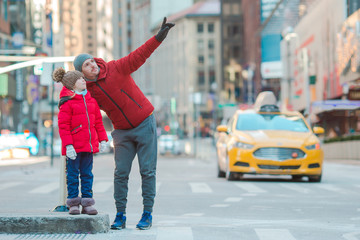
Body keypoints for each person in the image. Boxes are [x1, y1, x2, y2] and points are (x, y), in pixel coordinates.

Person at [73, 17, 175, 230]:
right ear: (82, 73)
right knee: (120, 173)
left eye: (92, 61)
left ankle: (147, 214)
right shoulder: (89, 91)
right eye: (86, 65)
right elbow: (75, 101)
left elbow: (139, 55)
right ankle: (121, 215)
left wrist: (158, 38)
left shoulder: (116, 68)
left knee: (147, 171)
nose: (92, 65)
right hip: (121, 132)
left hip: (145, 123)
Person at [53, 67, 108, 215]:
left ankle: (87, 203)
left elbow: (98, 123)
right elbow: (63, 126)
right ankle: (73, 203)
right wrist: (69, 145)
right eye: (80, 79)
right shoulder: (67, 103)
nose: (84, 80)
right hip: (73, 148)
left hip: (88, 147)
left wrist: (103, 139)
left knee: (87, 175)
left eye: (83, 78)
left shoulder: (92, 102)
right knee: (72, 175)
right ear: (72, 84)